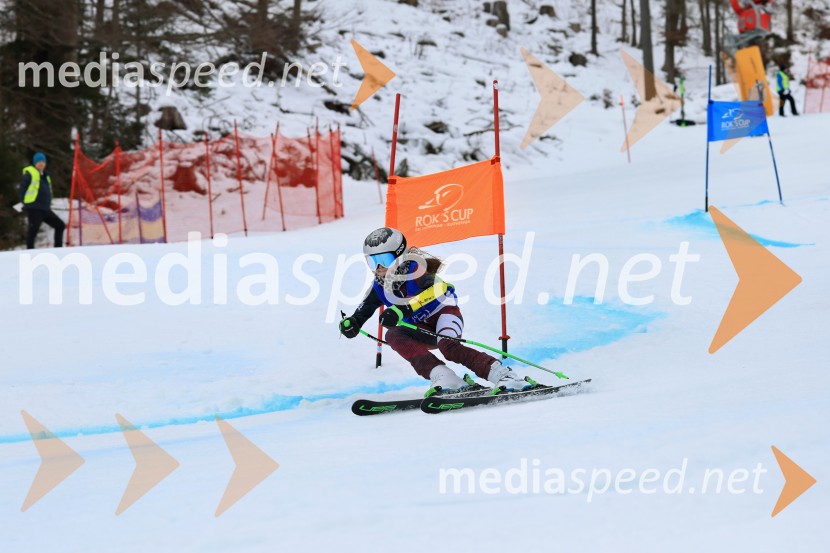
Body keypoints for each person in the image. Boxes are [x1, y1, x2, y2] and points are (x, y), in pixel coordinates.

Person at [339, 227, 532, 393]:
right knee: (393, 335)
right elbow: (364, 310)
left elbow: (440, 288)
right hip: (420, 328)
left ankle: (504, 375)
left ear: (400, 256)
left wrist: (401, 309)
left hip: (444, 315)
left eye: (384, 260)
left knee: (449, 348)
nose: (379, 267)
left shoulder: (416, 270)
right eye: (373, 262)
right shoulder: (379, 286)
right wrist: (353, 323)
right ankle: (445, 377)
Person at [19, 152, 65, 249]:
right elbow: (22, 190)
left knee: (60, 225)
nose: (41, 163)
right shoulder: (29, 174)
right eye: (39, 161)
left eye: (43, 161)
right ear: (35, 163)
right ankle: (29, 252)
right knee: (33, 231)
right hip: (34, 208)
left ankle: (58, 249)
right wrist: (25, 203)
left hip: (45, 209)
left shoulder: (46, 176)